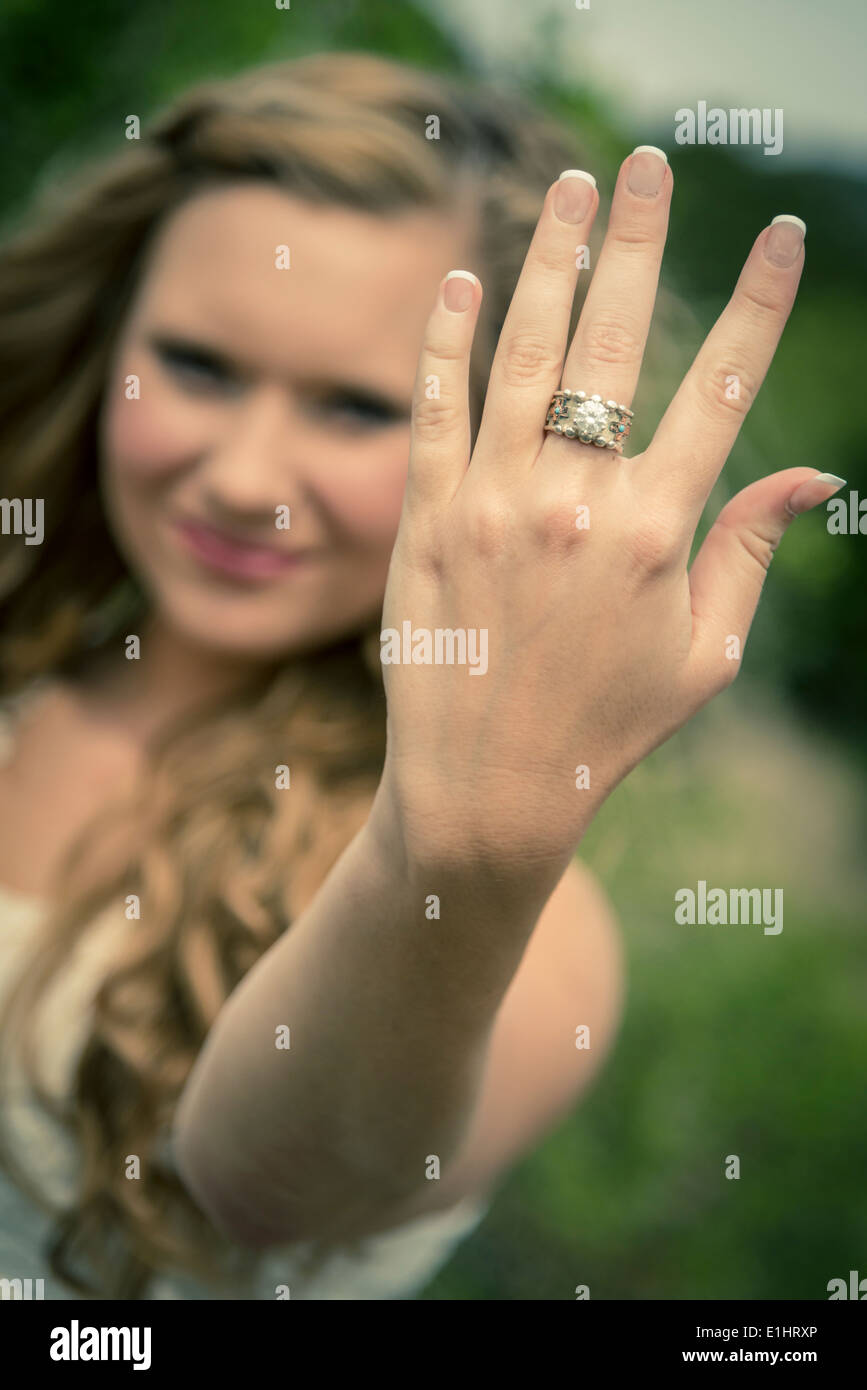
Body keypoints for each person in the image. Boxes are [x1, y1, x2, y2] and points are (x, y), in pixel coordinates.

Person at [0, 50, 837, 1301]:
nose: (240, 474)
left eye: (352, 407)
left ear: (512, 444)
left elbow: (269, 1183)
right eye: (198, 366)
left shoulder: (519, 924)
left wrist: (464, 844)